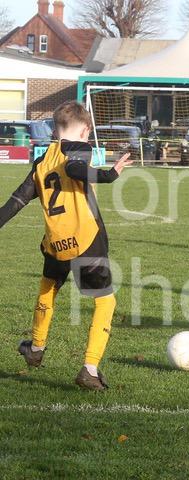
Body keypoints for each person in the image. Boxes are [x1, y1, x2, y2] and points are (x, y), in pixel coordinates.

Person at [0, 100, 133, 390]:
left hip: (55, 243)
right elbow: (74, 168)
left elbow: (18, 200)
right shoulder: (79, 148)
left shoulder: (41, 162)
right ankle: (89, 368)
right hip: (86, 240)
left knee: (48, 288)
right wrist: (110, 174)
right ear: (85, 130)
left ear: (55, 129)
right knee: (105, 300)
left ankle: (36, 348)